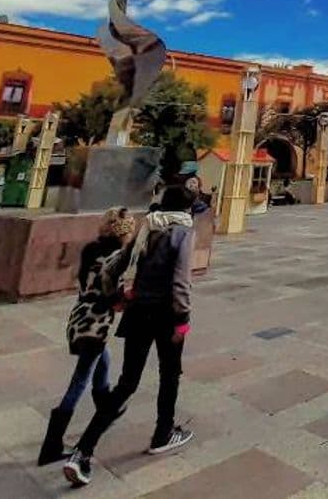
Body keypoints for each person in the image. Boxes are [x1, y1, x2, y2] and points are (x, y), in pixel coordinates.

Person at [63, 185, 197, 487]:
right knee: (170, 373)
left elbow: (111, 268)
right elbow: (180, 283)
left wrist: (117, 299)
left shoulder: (146, 229)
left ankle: (82, 452)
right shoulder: (182, 233)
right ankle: (163, 433)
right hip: (165, 315)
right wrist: (183, 321)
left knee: (127, 382)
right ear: (187, 210)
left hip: (137, 314)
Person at [38, 207, 136, 466]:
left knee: (103, 361)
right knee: (80, 381)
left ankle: (106, 407)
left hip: (79, 317)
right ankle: (51, 445)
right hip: (96, 322)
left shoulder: (90, 249)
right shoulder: (118, 257)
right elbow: (112, 295)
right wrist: (128, 298)